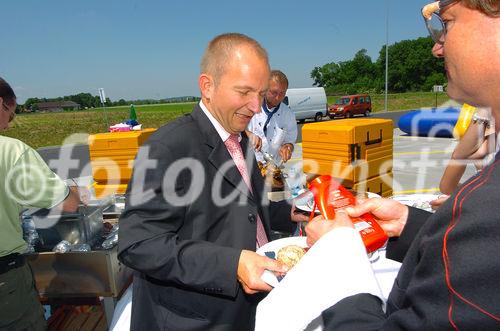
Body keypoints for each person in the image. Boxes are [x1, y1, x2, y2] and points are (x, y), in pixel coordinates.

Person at [305, 1, 500, 329]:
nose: (438, 48)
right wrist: (410, 225)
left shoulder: (487, 210)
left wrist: (337, 255)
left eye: (448, 23)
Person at [118, 33, 307, 331]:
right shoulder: (168, 147)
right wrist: (232, 264)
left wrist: (291, 210)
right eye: (244, 92)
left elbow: (246, 207)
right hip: (195, 318)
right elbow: (139, 244)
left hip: (246, 309)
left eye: (259, 93)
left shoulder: (240, 138)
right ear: (208, 86)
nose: (256, 106)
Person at [0, 77, 82, 330]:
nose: (8, 126)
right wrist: (74, 188)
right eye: (10, 116)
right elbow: (68, 204)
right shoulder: (10, 151)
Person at [247, 70, 298, 164]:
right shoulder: (248, 107)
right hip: (249, 164)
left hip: (273, 166)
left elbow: (290, 140)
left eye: (282, 93)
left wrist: (287, 147)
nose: (278, 97)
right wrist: (248, 134)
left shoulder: (288, 114)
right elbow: (232, 129)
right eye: (274, 92)